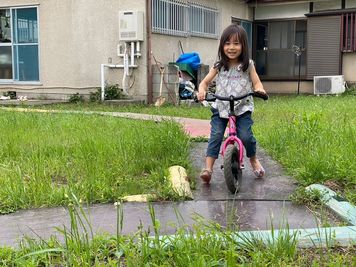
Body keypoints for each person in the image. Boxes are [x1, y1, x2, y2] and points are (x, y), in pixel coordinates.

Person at [197, 24, 267, 184]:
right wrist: (201, 90)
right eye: (227, 43)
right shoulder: (219, 65)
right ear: (222, 46)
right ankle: (208, 169)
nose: (231, 47)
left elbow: (257, 83)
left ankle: (253, 159)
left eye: (236, 43)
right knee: (215, 135)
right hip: (221, 107)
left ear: (243, 45)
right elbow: (205, 82)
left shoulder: (248, 65)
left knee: (246, 137)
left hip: (242, 107)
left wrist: (260, 90)